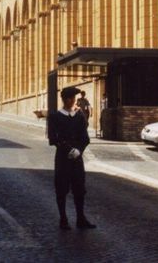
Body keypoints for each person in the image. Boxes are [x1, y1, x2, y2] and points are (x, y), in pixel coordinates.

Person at [48, 86, 96, 230]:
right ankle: (63, 219)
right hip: (63, 158)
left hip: (77, 158)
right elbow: (53, 138)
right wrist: (69, 149)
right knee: (61, 188)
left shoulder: (79, 117)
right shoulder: (55, 117)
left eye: (73, 98)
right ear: (63, 99)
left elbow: (85, 138)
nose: (71, 101)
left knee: (79, 188)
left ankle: (80, 218)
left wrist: (79, 150)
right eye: (68, 98)